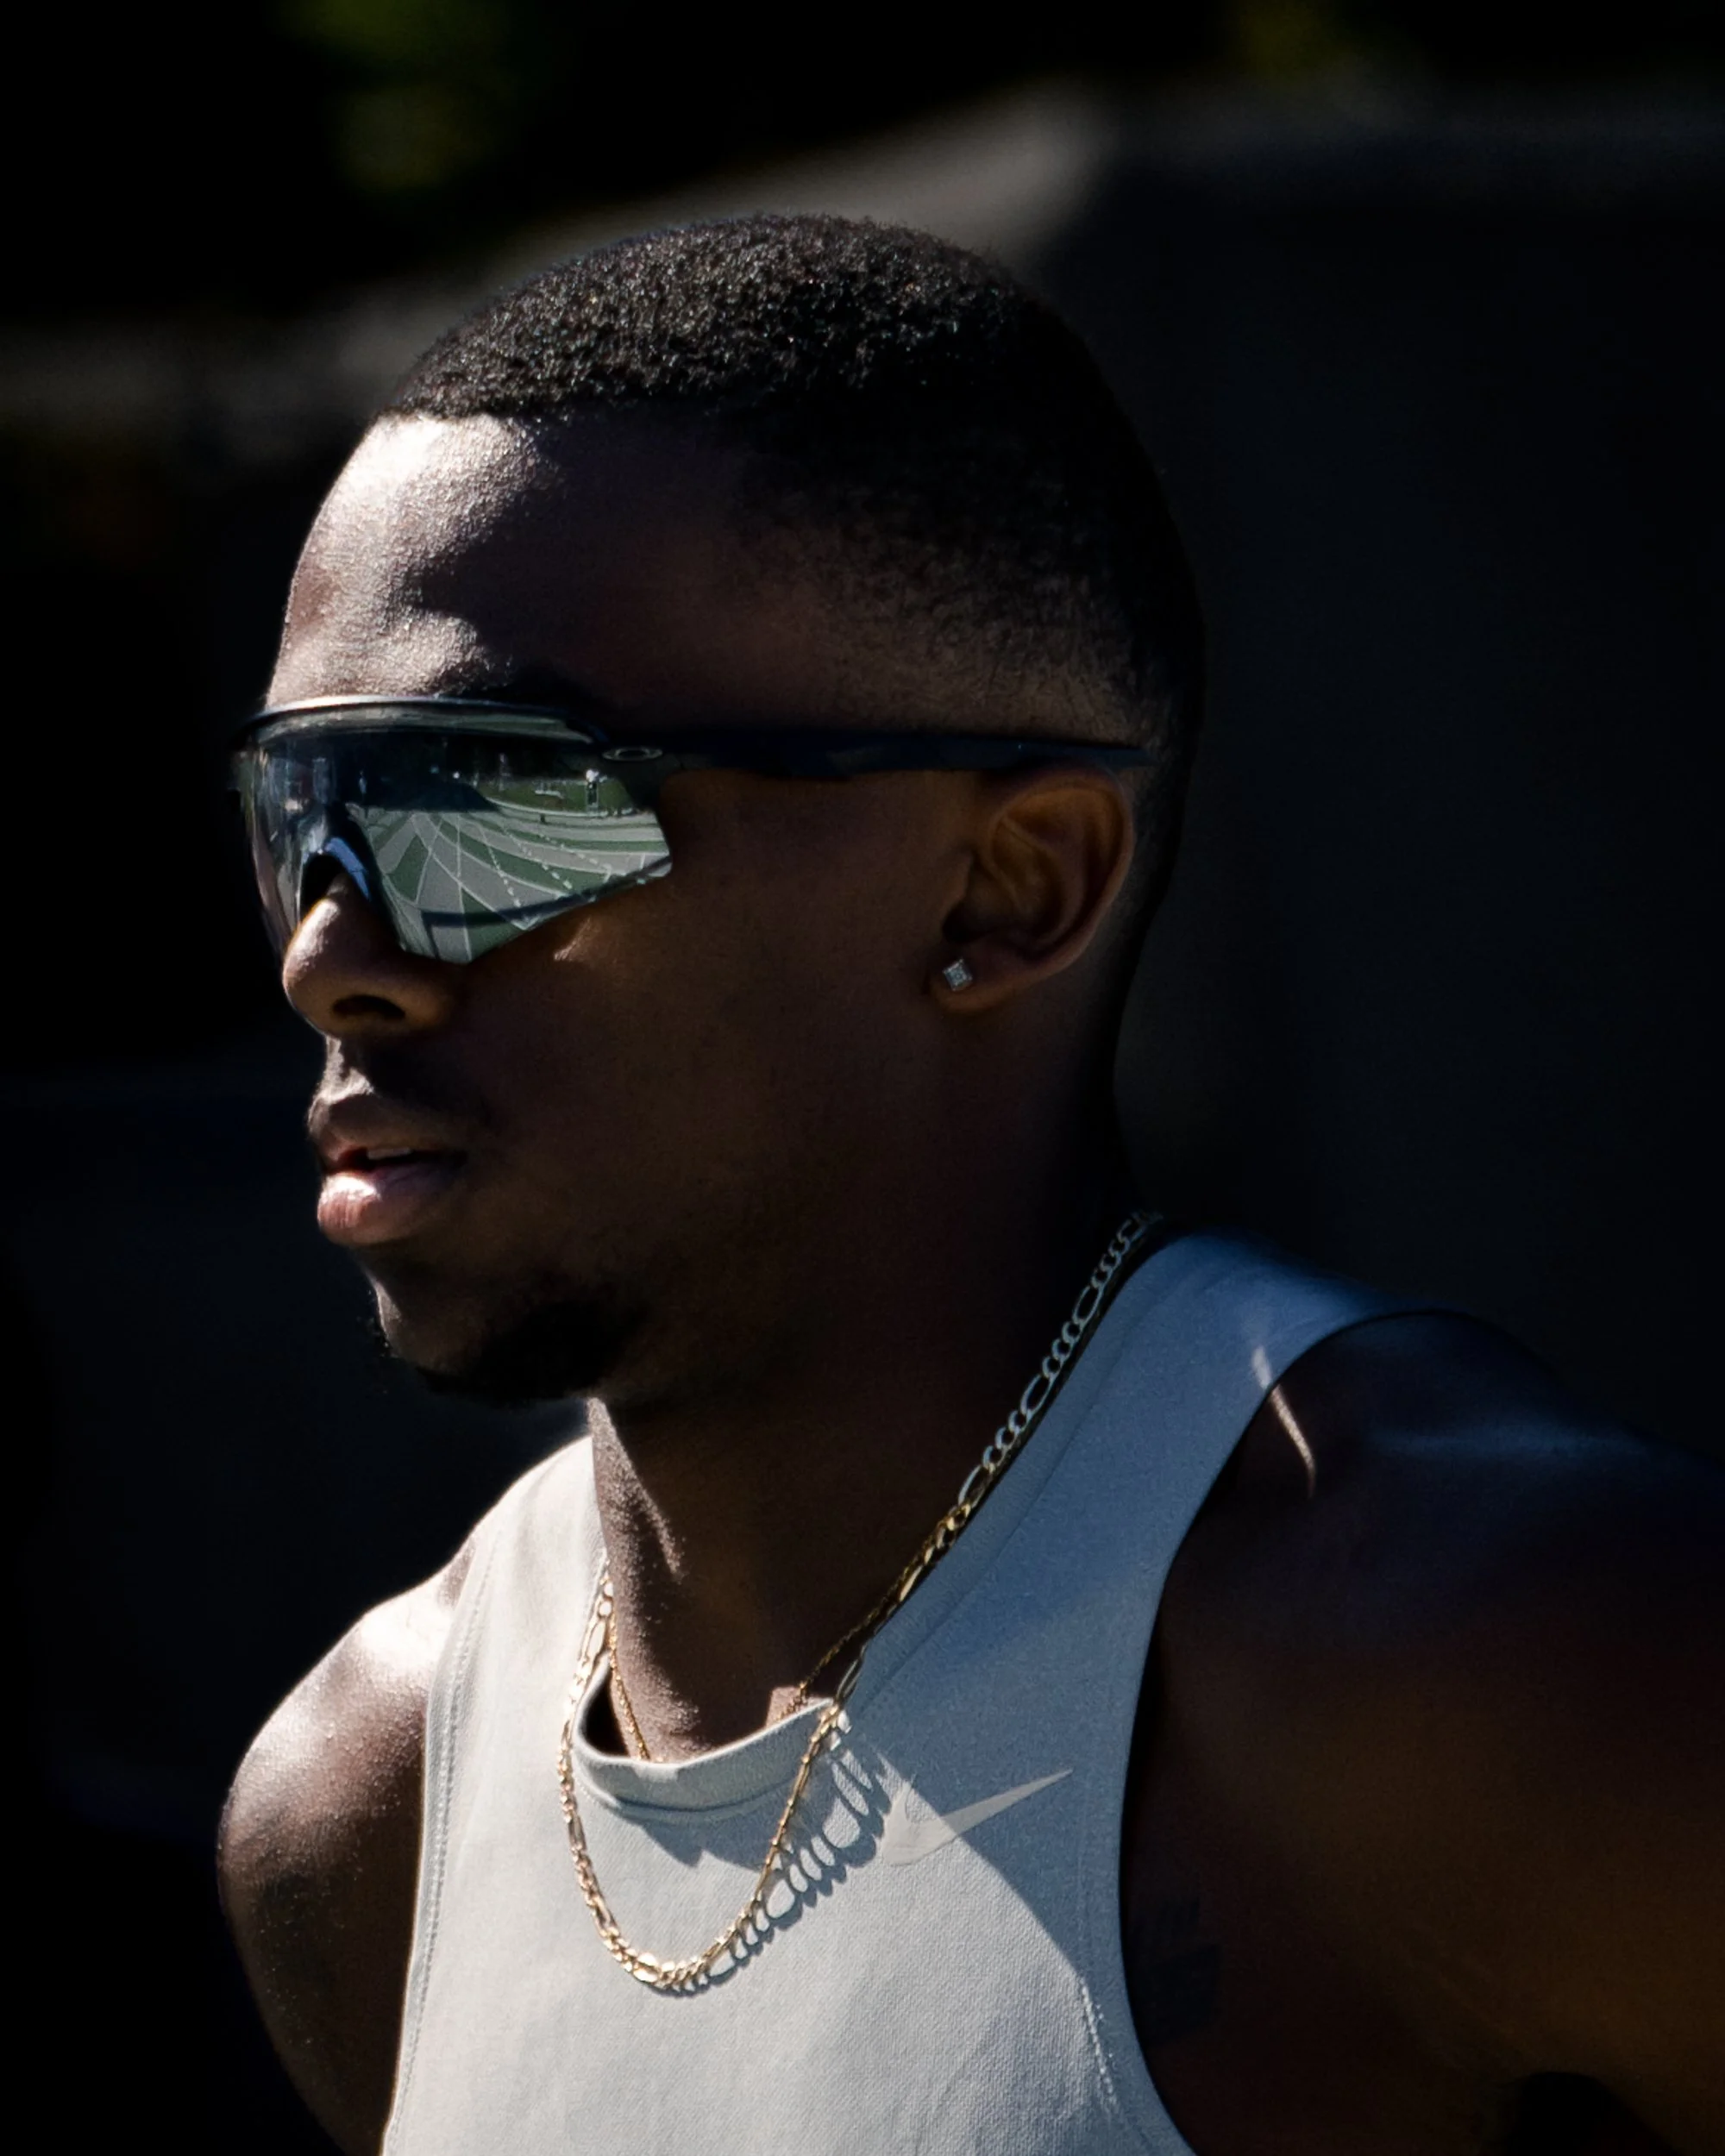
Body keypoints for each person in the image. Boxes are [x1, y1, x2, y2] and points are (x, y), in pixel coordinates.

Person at [218, 216, 1724, 2156]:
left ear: (1011, 888)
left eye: (490, 799)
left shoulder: (1498, 1663)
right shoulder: (366, 1811)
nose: (330, 952)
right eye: (304, 804)